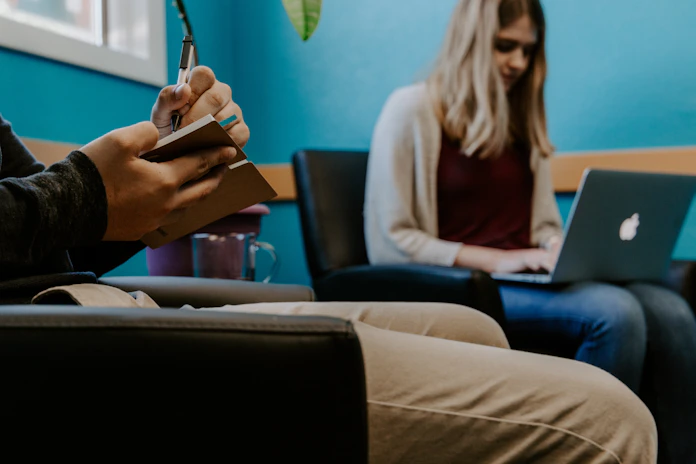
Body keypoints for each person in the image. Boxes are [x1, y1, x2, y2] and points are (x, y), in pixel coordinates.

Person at [0, 66, 656, 461]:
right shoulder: (416, 109)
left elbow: (57, 239)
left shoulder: (527, 126)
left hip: (87, 297)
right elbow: (64, 206)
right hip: (45, 334)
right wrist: (83, 191)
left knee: (473, 327)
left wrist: (166, 169)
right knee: (608, 422)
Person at [363, 0, 696, 462]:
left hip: (527, 277)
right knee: (615, 314)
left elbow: (541, 225)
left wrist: (557, 245)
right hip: (468, 285)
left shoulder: (522, 118)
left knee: (672, 311)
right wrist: (499, 260)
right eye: (505, 47)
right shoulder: (411, 110)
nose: (518, 63)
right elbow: (391, 242)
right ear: (472, 41)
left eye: (527, 50)